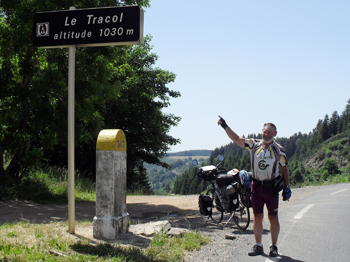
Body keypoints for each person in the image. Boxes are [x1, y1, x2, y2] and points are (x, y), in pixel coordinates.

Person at [217, 116, 292, 257]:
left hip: (271, 188)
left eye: (269, 132)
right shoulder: (254, 144)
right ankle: (258, 246)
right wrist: (225, 126)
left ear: (275, 134)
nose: (266, 134)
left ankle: (274, 247)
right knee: (257, 217)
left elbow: (284, 169)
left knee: (273, 217)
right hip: (256, 186)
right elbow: (237, 139)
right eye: (264, 131)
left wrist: (286, 186)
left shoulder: (279, 150)